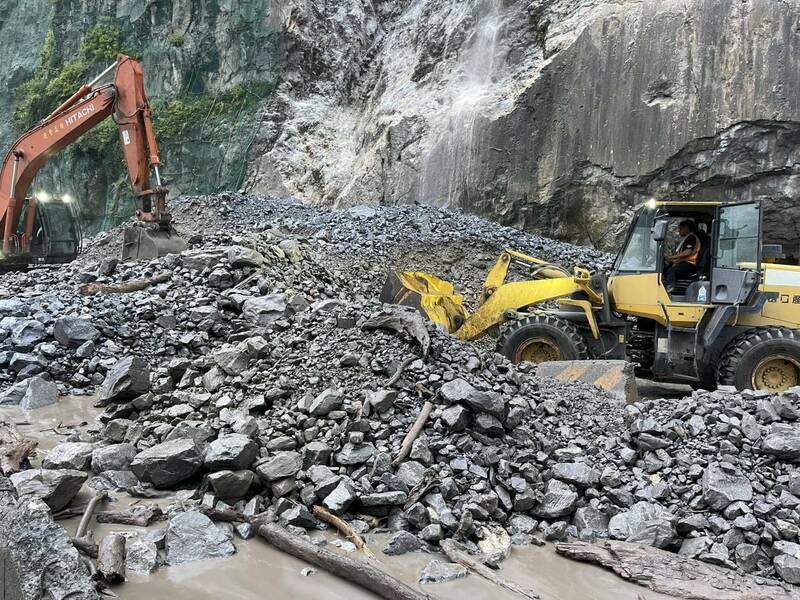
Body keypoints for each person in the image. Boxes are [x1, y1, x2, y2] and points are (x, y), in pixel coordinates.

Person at [664, 219, 702, 291]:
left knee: (671, 271)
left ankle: (670, 287)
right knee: (666, 268)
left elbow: (688, 252)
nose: (679, 231)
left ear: (686, 228)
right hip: (685, 262)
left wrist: (671, 257)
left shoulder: (691, 237)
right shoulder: (688, 238)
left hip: (690, 263)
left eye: (680, 228)